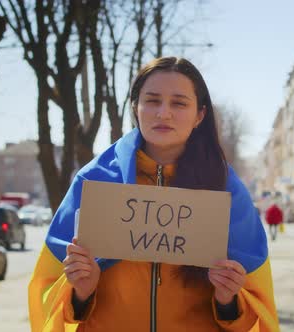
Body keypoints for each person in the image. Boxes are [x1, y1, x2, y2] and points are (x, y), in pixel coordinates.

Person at [28, 57, 279, 331]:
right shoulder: (94, 182)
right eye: (152, 100)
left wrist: (228, 300)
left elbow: (255, 312)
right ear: (135, 107)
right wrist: (80, 293)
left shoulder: (226, 190)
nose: (163, 113)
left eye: (179, 103)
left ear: (200, 115)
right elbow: (50, 294)